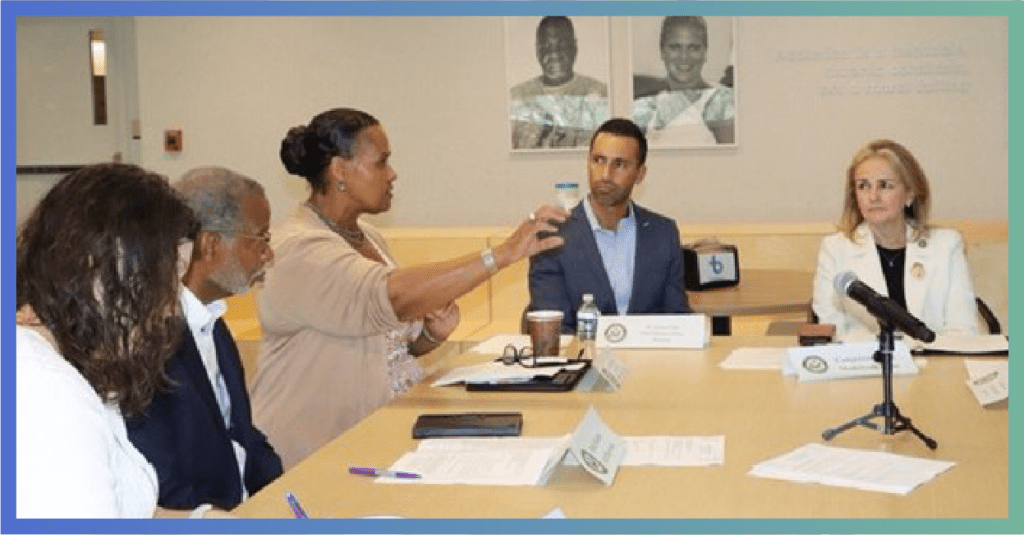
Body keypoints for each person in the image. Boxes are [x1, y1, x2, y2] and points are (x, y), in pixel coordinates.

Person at [251, 107, 567, 469]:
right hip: (312, 455)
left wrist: (430, 336)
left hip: (377, 437)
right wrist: (503, 254)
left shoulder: (369, 238)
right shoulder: (299, 248)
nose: (392, 174)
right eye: (382, 162)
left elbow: (394, 344)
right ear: (340, 170)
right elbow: (391, 297)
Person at [15, 163, 230, 518]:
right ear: (101, 268)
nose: (170, 309)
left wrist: (201, 518)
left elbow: (131, 509)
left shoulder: (74, 362)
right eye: (167, 280)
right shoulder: (47, 392)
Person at [126, 167, 283, 511]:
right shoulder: (149, 342)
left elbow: (244, 435)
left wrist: (287, 494)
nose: (268, 255)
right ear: (210, 244)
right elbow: (160, 481)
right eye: (261, 239)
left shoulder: (214, 323)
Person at [528, 118, 691, 334]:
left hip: (651, 363)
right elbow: (554, 330)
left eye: (620, 165)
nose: (605, 175)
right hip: (581, 362)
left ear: (640, 174)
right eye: (598, 160)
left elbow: (677, 321)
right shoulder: (553, 236)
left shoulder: (663, 234)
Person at [812, 139, 981, 339]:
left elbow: (963, 329)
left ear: (909, 193)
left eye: (884, 185)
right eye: (863, 186)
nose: (873, 196)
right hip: (865, 366)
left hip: (935, 364)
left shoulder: (947, 246)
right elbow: (832, 331)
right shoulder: (835, 249)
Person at [632, 16, 735, 146]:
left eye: (693, 48)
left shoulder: (721, 101)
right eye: (675, 47)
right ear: (662, 52)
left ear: (705, 52)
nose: (684, 56)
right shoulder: (645, 102)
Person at [509, 16, 609, 149]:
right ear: (537, 51)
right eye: (546, 47)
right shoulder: (516, 97)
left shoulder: (600, 93)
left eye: (562, 46)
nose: (554, 54)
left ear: (574, 48)